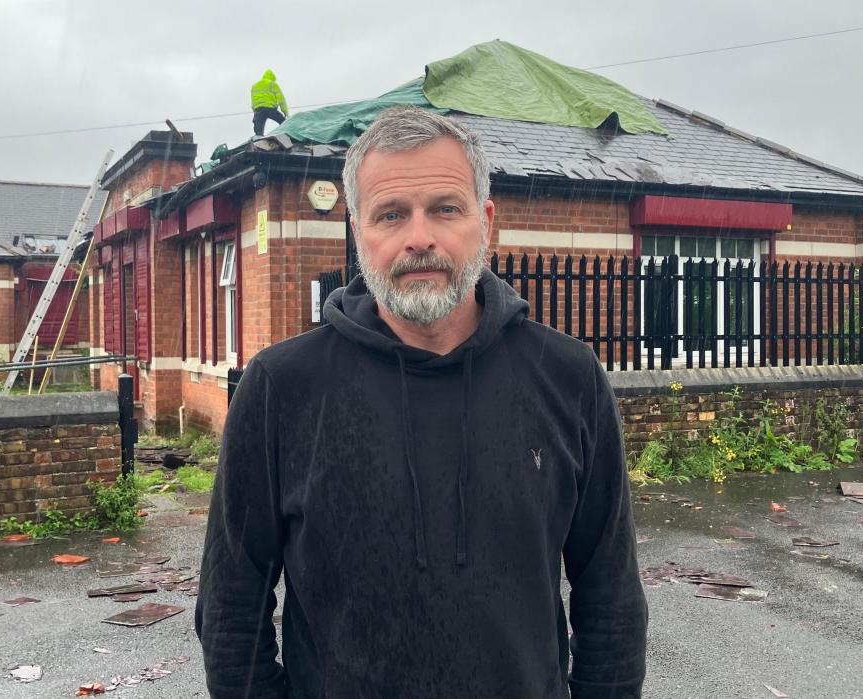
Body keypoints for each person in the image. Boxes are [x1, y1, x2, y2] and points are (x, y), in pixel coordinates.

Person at [197, 106, 647, 698]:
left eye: (445, 208)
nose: (419, 238)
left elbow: (609, 596)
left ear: (486, 220)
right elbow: (233, 607)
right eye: (391, 214)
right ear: (360, 234)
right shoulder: (282, 388)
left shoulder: (568, 377)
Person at [251, 69, 289, 136]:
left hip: (258, 111)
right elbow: (281, 100)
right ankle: (289, 135)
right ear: (272, 78)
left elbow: (253, 101)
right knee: (283, 122)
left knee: (258, 133)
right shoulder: (273, 84)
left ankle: (258, 143)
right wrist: (285, 111)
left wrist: (255, 112)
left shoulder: (254, 86)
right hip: (270, 109)